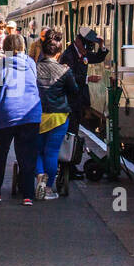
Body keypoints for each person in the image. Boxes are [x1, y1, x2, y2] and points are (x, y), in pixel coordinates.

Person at [0, 33, 41, 205]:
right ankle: (27, 195)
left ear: (5, 48)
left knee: (0, 154)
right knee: (27, 155)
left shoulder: (0, 65)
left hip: (6, 115)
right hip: (30, 113)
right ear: (23, 47)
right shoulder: (31, 63)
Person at [34, 30, 81, 200]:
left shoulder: (34, 68)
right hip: (59, 117)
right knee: (52, 153)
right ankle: (47, 188)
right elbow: (74, 91)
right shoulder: (64, 70)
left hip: (37, 116)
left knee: (37, 151)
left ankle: (39, 175)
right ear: (59, 53)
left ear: (42, 51)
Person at [59, 28, 109, 175]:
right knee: (70, 133)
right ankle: (68, 167)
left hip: (78, 100)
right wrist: (88, 79)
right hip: (69, 100)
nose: (87, 51)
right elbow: (68, 77)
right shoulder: (69, 55)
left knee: (73, 131)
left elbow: (98, 57)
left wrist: (102, 45)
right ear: (78, 41)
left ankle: (69, 165)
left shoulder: (82, 53)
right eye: (86, 46)